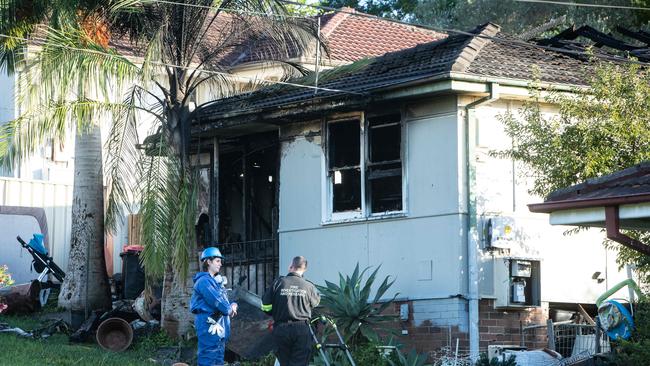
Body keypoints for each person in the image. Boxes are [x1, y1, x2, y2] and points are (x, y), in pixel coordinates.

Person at [262, 256, 320, 366]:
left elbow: (265, 306)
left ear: (290, 267)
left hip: (281, 329)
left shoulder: (278, 283)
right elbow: (315, 304)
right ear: (304, 269)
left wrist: (274, 312)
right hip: (302, 330)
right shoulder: (309, 286)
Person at [190, 247, 239, 366]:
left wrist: (233, 304)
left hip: (218, 326)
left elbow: (226, 300)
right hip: (208, 324)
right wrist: (229, 309)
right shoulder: (204, 281)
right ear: (208, 261)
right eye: (217, 261)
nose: (221, 264)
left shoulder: (216, 282)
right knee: (208, 358)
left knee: (218, 359)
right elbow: (217, 301)